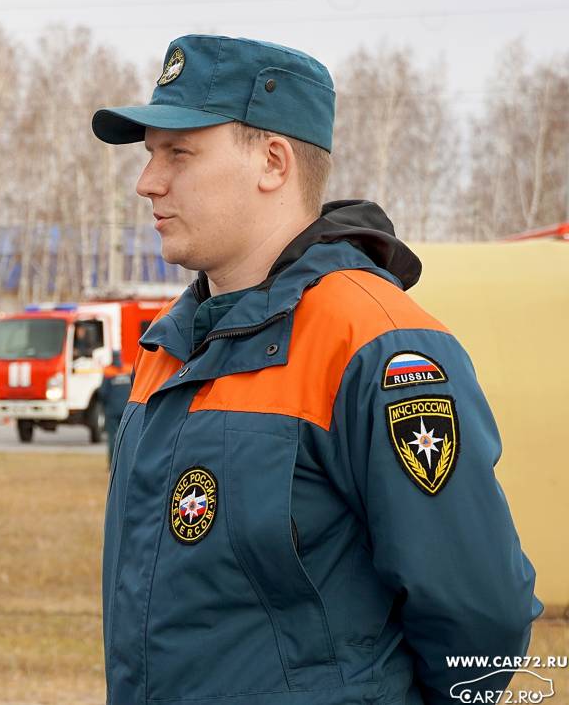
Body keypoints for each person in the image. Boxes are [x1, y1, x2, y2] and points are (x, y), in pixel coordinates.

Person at [91, 35, 540, 704]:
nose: (147, 181)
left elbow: (479, 618)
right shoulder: (172, 347)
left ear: (272, 162)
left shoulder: (381, 347)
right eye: (151, 154)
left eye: (179, 153)